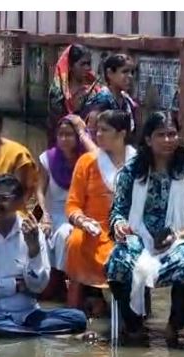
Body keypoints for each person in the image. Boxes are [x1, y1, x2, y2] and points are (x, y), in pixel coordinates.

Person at [105, 112, 184, 345]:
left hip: (179, 237)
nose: (167, 140)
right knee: (118, 261)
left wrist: (178, 235)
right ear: (147, 139)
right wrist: (120, 224)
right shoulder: (131, 171)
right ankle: (134, 326)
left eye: (172, 134)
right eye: (161, 135)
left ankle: (174, 326)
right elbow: (117, 211)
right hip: (139, 236)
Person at [0, 174, 87, 337]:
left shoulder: (32, 232)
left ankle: (21, 333)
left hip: (28, 315)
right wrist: (16, 285)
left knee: (78, 318)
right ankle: (36, 335)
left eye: (2, 198)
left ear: (19, 202)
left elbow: (39, 286)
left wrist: (33, 250)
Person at [65, 110, 136, 315]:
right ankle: (73, 314)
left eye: (105, 130)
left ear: (122, 133)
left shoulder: (139, 164)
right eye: (97, 130)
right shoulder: (86, 162)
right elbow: (73, 204)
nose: (98, 135)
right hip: (93, 229)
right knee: (75, 242)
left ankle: (132, 317)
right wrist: (81, 220)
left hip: (128, 230)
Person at [35, 118, 87, 301]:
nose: (64, 139)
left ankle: (67, 281)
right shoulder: (47, 159)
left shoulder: (86, 160)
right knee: (40, 234)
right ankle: (47, 280)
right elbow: (39, 191)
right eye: (61, 135)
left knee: (65, 234)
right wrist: (44, 215)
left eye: (69, 135)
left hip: (77, 215)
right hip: (53, 213)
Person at [48, 44, 101, 145]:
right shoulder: (58, 91)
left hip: (88, 144)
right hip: (63, 143)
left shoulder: (95, 87)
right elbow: (56, 123)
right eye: (83, 64)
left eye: (89, 64)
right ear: (71, 66)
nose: (87, 68)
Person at [86, 54, 139, 133]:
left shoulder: (126, 101)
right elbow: (92, 131)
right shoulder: (102, 100)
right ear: (110, 73)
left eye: (132, 72)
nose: (130, 76)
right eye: (125, 71)